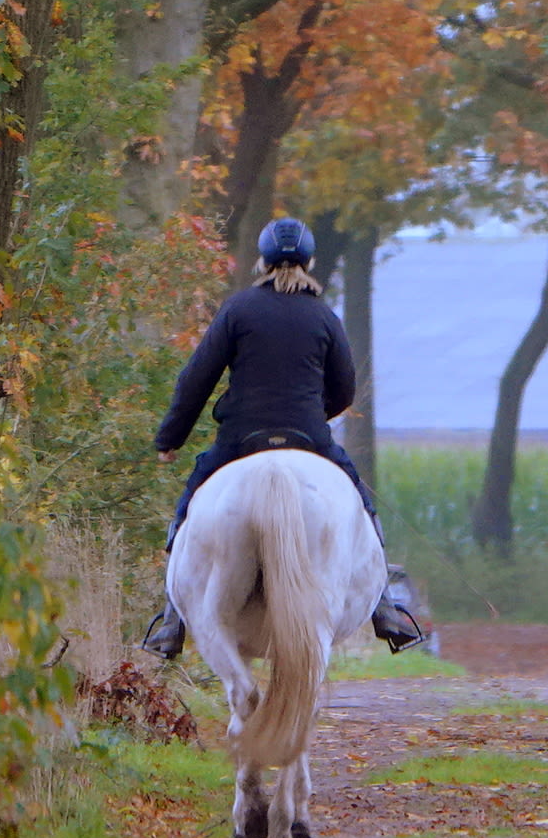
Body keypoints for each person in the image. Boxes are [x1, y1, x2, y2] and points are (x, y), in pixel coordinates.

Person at [140, 217, 427, 659]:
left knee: (190, 506)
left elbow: (197, 377)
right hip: (309, 439)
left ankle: (172, 619)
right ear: (310, 261)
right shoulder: (324, 316)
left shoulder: (238, 310)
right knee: (361, 507)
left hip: (240, 440)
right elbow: (345, 390)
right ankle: (384, 608)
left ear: (263, 261)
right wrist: (313, 415)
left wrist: (170, 438)